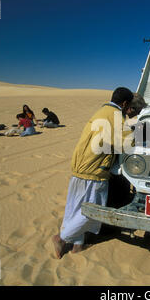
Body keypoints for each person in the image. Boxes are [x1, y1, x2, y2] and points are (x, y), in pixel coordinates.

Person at [52, 87, 134, 259]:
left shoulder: (102, 111)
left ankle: (78, 246)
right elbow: (129, 141)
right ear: (125, 103)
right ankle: (61, 238)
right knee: (91, 212)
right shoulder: (114, 116)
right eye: (129, 106)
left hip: (81, 166)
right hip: (94, 170)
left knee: (76, 208)